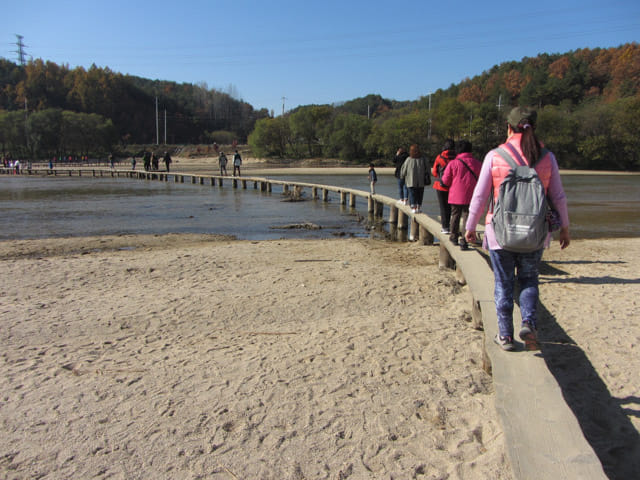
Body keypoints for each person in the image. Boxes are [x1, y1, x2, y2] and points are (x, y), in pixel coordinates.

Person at [465, 106, 571, 352]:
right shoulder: (547, 157)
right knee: (529, 279)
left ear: (509, 127)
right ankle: (529, 323)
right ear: (533, 127)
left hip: (499, 232)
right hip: (535, 233)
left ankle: (505, 336)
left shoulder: (495, 155)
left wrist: (470, 227)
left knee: (503, 283)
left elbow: (480, 196)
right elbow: (558, 196)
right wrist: (564, 227)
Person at [441, 140, 481, 250]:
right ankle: (464, 240)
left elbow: (445, 180)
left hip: (455, 195)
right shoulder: (477, 163)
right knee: (467, 217)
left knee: (455, 216)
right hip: (472, 195)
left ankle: (453, 236)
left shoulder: (453, 163)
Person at [432, 139, 456, 234]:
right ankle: (451, 226)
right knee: (451, 207)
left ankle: (445, 227)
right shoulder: (457, 157)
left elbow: (434, 172)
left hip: (440, 185)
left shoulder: (440, 157)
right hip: (452, 185)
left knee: (443, 207)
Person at [399, 144, 430, 214]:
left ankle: (413, 207)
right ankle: (418, 207)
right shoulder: (423, 159)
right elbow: (428, 169)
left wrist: (402, 176)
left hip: (411, 181)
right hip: (421, 181)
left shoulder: (408, 159)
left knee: (412, 194)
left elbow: (403, 170)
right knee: (420, 194)